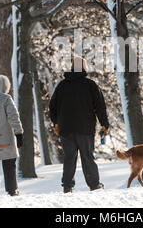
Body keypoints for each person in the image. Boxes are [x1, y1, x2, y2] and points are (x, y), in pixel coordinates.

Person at [49, 57, 110, 193]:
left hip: (66, 129)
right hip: (85, 128)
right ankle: (94, 185)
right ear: (84, 68)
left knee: (69, 158)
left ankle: (67, 186)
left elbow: (52, 107)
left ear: (71, 68)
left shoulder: (62, 85)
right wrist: (104, 124)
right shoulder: (90, 85)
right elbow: (100, 106)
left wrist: (56, 123)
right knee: (87, 156)